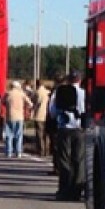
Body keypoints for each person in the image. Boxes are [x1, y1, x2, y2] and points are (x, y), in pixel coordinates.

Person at [49, 70, 86, 201]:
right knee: (79, 160)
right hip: (80, 130)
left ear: (69, 79)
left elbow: (52, 112)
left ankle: (64, 189)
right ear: (80, 80)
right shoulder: (84, 94)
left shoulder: (58, 92)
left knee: (64, 159)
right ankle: (76, 190)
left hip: (64, 129)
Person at [3, 80, 33, 158]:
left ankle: (9, 152)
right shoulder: (22, 94)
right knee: (19, 135)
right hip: (19, 117)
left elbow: (2, 102)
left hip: (9, 116)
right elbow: (30, 104)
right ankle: (18, 152)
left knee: (9, 135)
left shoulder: (7, 93)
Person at [33, 79, 51, 157]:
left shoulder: (37, 92)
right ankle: (47, 151)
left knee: (39, 134)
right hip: (47, 115)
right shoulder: (48, 92)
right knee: (46, 134)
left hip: (39, 115)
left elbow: (35, 103)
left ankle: (41, 150)